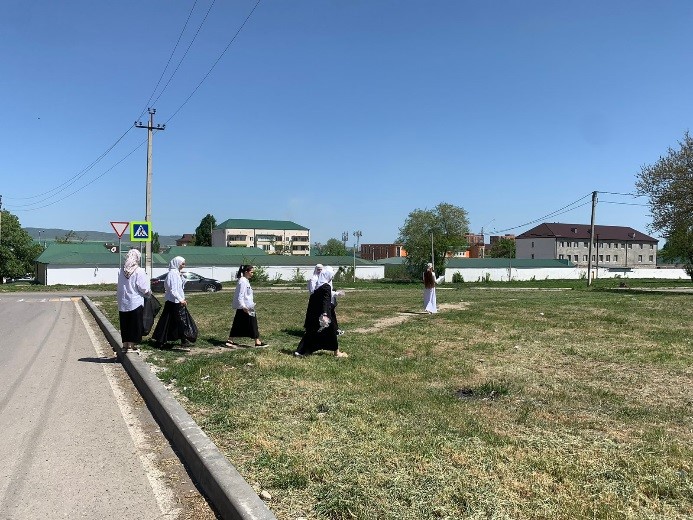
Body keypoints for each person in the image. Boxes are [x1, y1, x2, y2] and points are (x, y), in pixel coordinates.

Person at [295, 266, 348, 358]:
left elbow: (320, 296)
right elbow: (325, 300)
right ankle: (337, 353)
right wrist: (325, 314)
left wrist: (337, 293)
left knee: (313, 332)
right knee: (331, 332)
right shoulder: (326, 286)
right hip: (324, 314)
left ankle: (303, 351)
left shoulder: (318, 285)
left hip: (315, 312)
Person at [152, 256, 191, 350]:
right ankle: (161, 341)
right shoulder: (172, 274)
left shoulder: (176, 273)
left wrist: (181, 276)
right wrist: (181, 299)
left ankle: (182, 339)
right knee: (174, 320)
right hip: (173, 301)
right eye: (182, 264)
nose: (184, 265)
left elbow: (180, 286)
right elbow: (173, 290)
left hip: (176, 301)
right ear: (177, 263)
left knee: (175, 321)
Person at [116, 249, 150, 353]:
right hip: (135, 301)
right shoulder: (139, 271)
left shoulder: (121, 270)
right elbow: (143, 287)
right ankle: (131, 346)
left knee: (125, 323)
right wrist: (148, 292)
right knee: (134, 324)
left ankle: (125, 345)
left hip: (123, 301)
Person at [226, 265, 267, 348]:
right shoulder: (243, 281)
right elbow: (240, 295)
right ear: (246, 272)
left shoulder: (245, 281)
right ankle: (257, 342)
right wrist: (243, 306)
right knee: (253, 323)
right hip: (246, 307)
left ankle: (230, 340)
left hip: (248, 306)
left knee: (238, 323)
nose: (252, 274)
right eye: (251, 272)